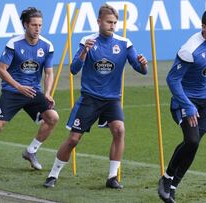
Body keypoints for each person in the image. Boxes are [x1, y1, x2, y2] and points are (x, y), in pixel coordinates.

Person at [43, 4, 148, 189]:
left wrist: (143, 64)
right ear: (99, 22)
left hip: (112, 99)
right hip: (90, 98)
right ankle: (53, 174)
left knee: (119, 130)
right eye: (109, 22)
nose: (113, 25)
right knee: (74, 139)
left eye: (115, 22)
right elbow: (74, 69)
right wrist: (84, 52)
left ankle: (112, 177)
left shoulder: (124, 43)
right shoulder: (88, 41)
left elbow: (141, 70)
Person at [0, 7, 59, 173]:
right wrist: (18, 87)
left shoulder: (47, 46)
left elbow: (49, 72)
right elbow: (1, 70)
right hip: (13, 91)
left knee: (52, 117)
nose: (37, 29)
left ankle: (31, 151)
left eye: (40, 25)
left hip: (33, 92)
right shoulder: (14, 44)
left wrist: (48, 93)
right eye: (34, 25)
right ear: (25, 25)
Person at [157, 9, 206, 202]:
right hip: (187, 101)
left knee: (193, 145)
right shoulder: (190, 49)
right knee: (192, 140)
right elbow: (172, 79)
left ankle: (173, 187)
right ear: (204, 27)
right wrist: (188, 105)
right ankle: (166, 178)